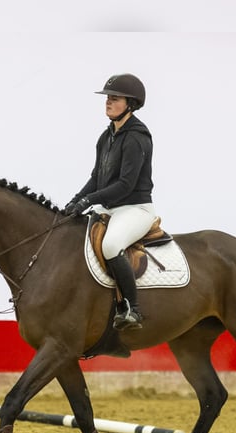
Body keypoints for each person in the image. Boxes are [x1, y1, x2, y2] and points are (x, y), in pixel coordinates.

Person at [64, 73, 155, 331]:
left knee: (112, 245)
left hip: (135, 209)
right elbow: (96, 178)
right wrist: (74, 202)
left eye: (115, 98)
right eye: (107, 98)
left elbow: (125, 185)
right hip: (110, 208)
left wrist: (88, 201)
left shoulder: (137, 137)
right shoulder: (106, 137)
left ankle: (131, 309)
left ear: (131, 104)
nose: (108, 102)